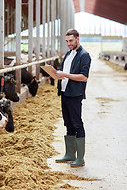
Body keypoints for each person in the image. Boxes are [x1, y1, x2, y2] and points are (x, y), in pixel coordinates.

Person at [53, 29, 91, 167]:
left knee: (77, 123)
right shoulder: (68, 54)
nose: (68, 44)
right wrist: (57, 74)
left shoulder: (84, 55)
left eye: (71, 41)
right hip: (65, 92)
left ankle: (80, 159)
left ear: (77, 39)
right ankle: (69, 155)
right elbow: (65, 73)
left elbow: (84, 77)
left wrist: (66, 74)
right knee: (68, 123)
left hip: (75, 94)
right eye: (67, 41)